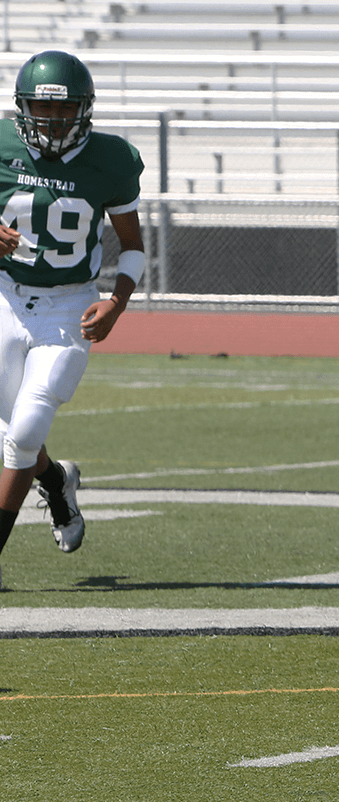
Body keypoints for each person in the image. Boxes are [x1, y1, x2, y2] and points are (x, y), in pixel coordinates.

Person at [0, 51, 145, 592]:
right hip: (4, 296)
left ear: (85, 110)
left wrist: (117, 301)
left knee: (25, 431)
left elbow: (132, 246)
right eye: (43, 109)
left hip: (68, 305)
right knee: (14, 432)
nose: (54, 121)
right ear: (23, 108)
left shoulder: (111, 159)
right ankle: (56, 480)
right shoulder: (2, 144)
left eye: (64, 110)